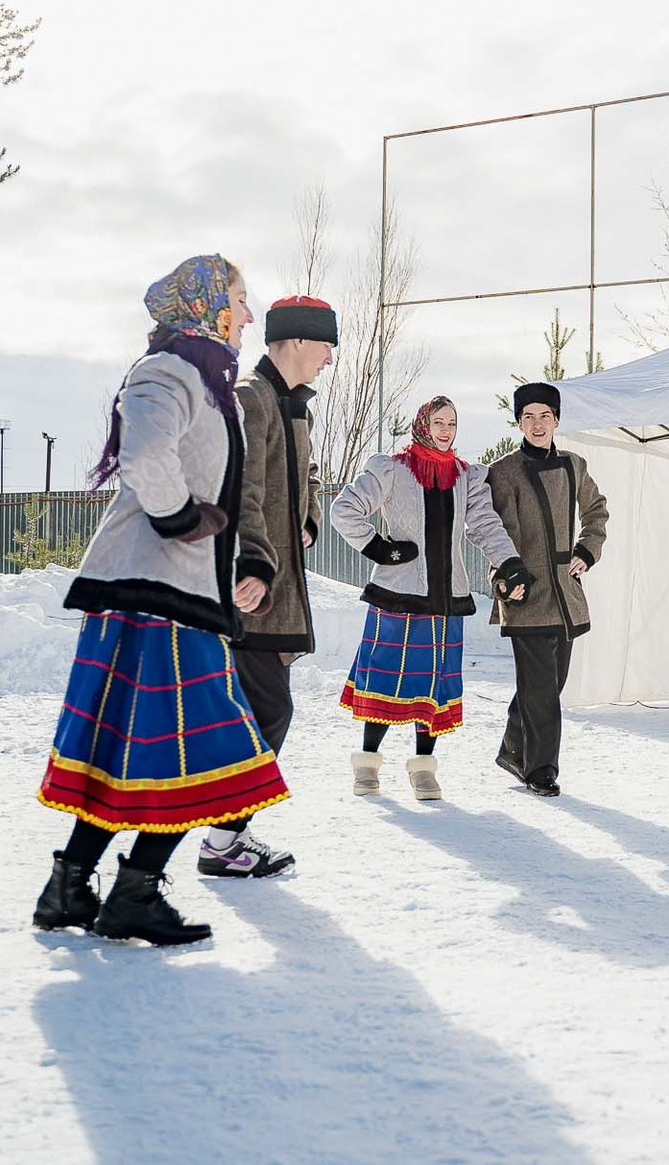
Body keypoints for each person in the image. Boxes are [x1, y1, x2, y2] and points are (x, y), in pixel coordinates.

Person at [30, 254, 285, 946]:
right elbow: (146, 456)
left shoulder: (212, 388)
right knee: (205, 750)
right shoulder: (167, 371)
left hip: (181, 593)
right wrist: (180, 519)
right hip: (154, 594)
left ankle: (69, 887)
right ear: (207, 304)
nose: (248, 313)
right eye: (239, 298)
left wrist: (242, 562)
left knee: (129, 749)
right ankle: (134, 894)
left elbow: (225, 490)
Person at [194, 295, 338, 880]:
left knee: (257, 710)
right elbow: (238, 488)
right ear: (298, 341)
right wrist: (250, 563)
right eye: (326, 344)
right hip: (251, 588)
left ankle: (223, 835)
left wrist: (307, 520)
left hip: (274, 586)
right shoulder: (251, 398)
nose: (330, 357)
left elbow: (306, 477)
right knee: (267, 709)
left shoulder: (293, 407)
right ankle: (222, 841)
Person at [328, 396, 531, 800]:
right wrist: (380, 548)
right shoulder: (391, 469)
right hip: (398, 596)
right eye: (438, 422)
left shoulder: (466, 476)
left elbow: (485, 524)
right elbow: (344, 509)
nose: (445, 431)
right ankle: (367, 763)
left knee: (434, 687)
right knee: (385, 680)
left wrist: (509, 562)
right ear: (423, 424)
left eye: (451, 423)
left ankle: (423, 768)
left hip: (445, 599)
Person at [485, 382, 609, 796]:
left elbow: (596, 511)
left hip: (565, 594)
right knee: (540, 691)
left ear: (556, 420)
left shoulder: (575, 465)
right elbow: (495, 532)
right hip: (524, 593)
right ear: (519, 422)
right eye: (528, 417)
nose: (537, 424)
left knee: (548, 685)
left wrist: (587, 551)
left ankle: (512, 751)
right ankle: (541, 770)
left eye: (544, 416)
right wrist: (504, 579)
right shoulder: (503, 471)